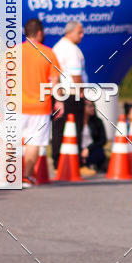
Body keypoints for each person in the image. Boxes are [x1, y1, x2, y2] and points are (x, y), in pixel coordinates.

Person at [21, 19, 64, 187]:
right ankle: (26, 177)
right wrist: (59, 101)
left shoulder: (13, 52)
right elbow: (55, 81)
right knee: (33, 143)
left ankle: (6, 175)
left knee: (10, 141)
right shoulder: (49, 53)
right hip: (40, 107)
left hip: (15, 105)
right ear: (39, 33)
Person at [51, 21, 86, 169]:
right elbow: (76, 75)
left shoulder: (58, 47)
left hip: (59, 94)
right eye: (79, 32)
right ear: (70, 32)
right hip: (72, 94)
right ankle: (73, 163)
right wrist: (82, 93)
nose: (82, 35)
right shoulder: (71, 50)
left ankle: (58, 161)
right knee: (75, 129)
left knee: (59, 128)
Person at [81, 99, 108, 173]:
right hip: (79, 150)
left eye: (93, 106)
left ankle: (92, 164)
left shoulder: (98, 122)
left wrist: (88, 148)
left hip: (92, 149)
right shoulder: (77, 122)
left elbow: (103, 140)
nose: (92, 108)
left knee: (99, 152)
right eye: (89, 106)